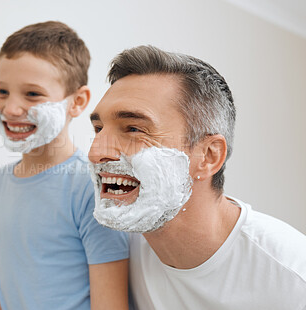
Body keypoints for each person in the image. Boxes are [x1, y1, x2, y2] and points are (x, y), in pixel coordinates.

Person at [88, 45, 306, 310]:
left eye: (133, 128)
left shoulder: (292, 278)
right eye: (98, 129)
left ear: (209, 156)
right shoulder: (113, 247)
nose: (95, 152)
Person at [0, 21, 129, 310]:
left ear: (77, 101)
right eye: (1, 92)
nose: (11, 109)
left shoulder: (94, 188)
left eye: (33, 94)